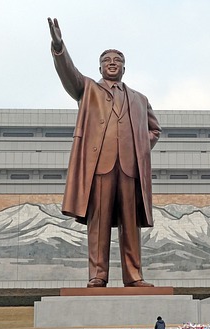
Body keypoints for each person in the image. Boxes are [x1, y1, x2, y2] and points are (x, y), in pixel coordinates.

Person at [48, 18, 161, 288]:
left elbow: (154, 130)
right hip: (100, 166)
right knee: (97, 224)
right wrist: (59, 47)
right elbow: (69, 74)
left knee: (130, 224)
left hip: (129, 169)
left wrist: (140, 147)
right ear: (100, 66)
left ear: (124, 67)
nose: (112, 63)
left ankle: (134, 276)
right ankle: (98, 275)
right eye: (107, 60)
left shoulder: (139, 98)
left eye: (117, 60)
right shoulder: (88, 89)